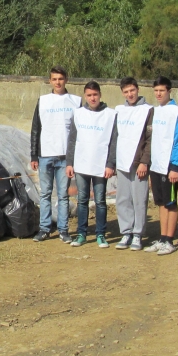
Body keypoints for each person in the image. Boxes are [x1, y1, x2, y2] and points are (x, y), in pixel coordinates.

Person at [30, 67, 82, 243]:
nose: (58, 82)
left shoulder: (75, 101)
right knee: (45, 194)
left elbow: (79, 131)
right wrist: (34, 155)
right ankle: (44, 229)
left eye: (61, 78)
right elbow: (36, 129)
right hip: (45, 155)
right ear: (50, 81)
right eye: (54, 79)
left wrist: (74, 158)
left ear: (66, 79)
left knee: (63, 195)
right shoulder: (43, 101)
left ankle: (63, 230)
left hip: (65, 158)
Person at [66, 81, 118, 248]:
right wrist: (69, 163)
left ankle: (101, 234)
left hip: (100, 166)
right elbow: (72, 139)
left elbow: (113, 141)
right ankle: (81, 233)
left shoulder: (110, 114)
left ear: (100, 94)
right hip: (81, 165)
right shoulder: (78, 113)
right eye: (89, 95)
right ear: (85, 96)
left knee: (100, 201)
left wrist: (110, 164)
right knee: (82, 200)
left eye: (95, 94)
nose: (92, 98)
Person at [143, 76, 178, 256]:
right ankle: (162, 237)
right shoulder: (156, 111)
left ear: (169, 91)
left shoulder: (176, 112)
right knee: (161, 202)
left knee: (171, 202)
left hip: (170, 166)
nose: (159, 94)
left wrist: (176, 166)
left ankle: (170, 240)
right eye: (156, 91)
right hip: (156, 165)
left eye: (162, 90)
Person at [113, 77, 153, 251]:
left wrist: (144, 162)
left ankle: (138, 234)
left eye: (132, 90)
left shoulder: (148, 110)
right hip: (122, 163)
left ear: (138, 89)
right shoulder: (119, 110)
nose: (130, 94)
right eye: (126, 91)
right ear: (122, 93)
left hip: (139, 164)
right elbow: (115, 137)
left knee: (139, 199)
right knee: (123, 198)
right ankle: (126, 232)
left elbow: (150, 139)